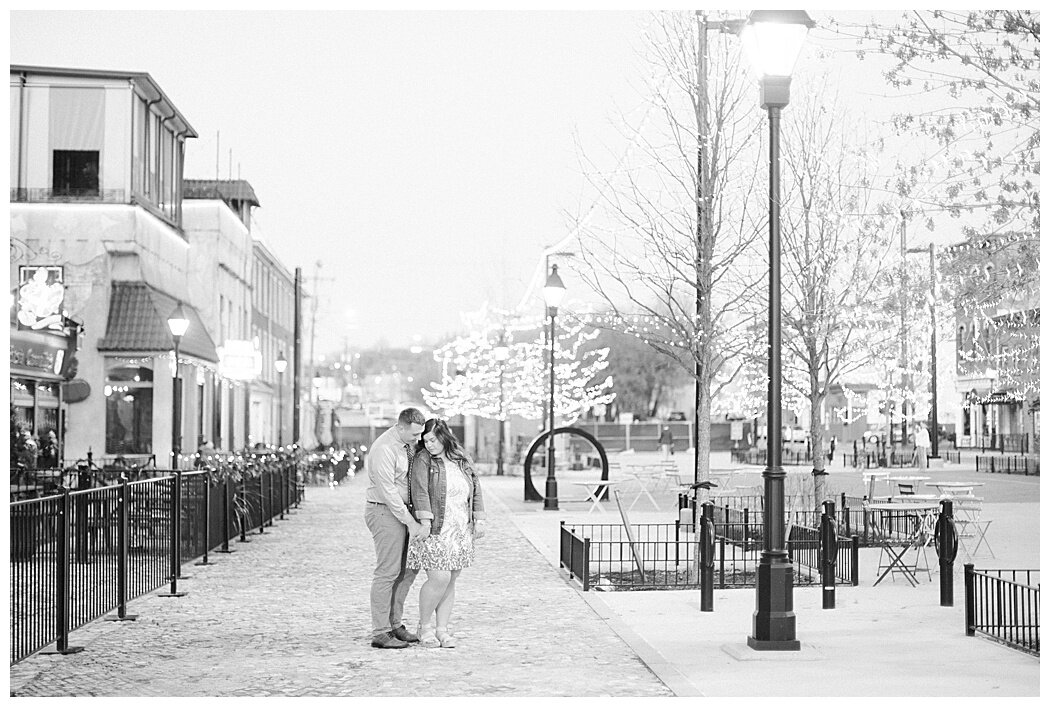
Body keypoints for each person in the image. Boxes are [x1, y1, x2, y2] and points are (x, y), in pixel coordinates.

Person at [408, 418, 485, 648]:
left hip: (460, 526)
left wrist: (479, 519)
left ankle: (442, 629)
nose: (428, 444)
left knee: (450, 579)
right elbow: (419, 491)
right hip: (435, 526)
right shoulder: (423, 459)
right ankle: (424, 627)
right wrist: (424, 520)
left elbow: (476, 487)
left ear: (443, 436)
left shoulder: (461, 458)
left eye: (432, 440)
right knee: (439, 577)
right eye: (425, 440)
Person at [364, 407, 428, 649]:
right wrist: (410, 522)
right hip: (384, 511)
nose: (417, 439)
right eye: (413, 435)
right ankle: (380, 632)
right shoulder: (384, 449)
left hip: (402, 511)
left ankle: (394, 624)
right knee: (388, 572)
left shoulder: (406, 445)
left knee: (408, 570)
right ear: (400, 427)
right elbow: (388, 493)